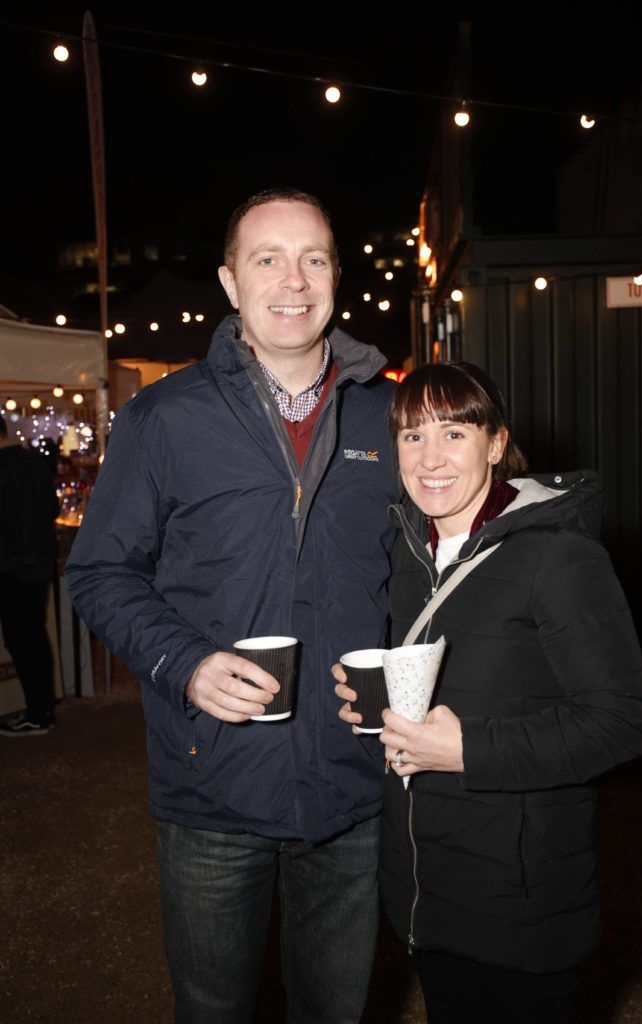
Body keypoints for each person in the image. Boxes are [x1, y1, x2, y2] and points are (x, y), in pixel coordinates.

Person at [65, 188, 398, 1023]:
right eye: (267, 259)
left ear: (335, 277)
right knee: (215, 1008)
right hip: (210, 780)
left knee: (337, 1009)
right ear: (229, 282)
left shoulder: (392, 415)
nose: (293, 280)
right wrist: (184, 663)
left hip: (353, 785)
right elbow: (99, 572)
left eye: (313, 258)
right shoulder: (164, 417)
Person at [335, 362, 642, 1024]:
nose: (429, 459)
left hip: (520, 906)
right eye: (410, 436)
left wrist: (468, 750)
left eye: (453, 433)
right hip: (427, 893)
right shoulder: (405, 553)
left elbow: (621, 721)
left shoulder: (556, 556)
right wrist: (373, 702)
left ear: (495, 442)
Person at [0, 416, 59, 736]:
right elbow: (52, 509)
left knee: (22, 640)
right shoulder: (34, 463)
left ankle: (39, 711)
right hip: (39, 562)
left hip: (11, 568)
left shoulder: (3, 469)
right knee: (34, 637)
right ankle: (42, 707)